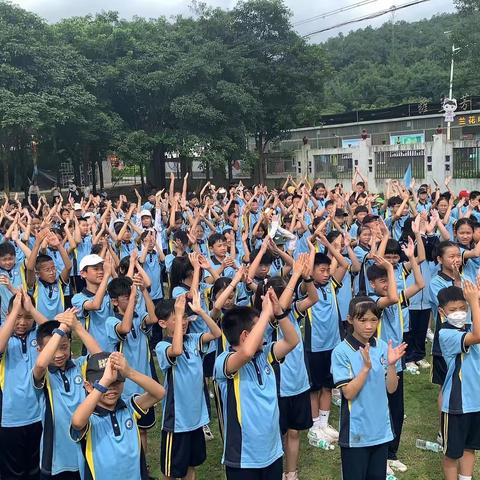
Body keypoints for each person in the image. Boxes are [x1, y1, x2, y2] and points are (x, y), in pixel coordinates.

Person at [214, 289, 299, 480]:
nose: (265, 333)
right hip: (244, 458)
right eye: (259, 328)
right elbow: (245, 353)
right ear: (245, 336)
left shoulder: (265, 355)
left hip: (273, 452)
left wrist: (278, 312)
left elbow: (293, 341)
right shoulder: (223, 362)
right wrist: (264, 315)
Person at [332, 296, 407, 480]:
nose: (369, 326)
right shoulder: (341, 351)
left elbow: (391, 389)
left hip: (380, 431)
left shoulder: (381, 346)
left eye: (373, 320)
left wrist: (390, 366)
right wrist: (366, 368)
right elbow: (348, 393)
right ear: (350, 319)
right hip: (356, 434)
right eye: (362, 320)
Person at [155, 292, 221, 480]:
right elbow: (176, 350)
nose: (183, 322)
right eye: (176, 319)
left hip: (196, 418)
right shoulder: (162, 346)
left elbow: (217, 333)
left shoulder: (193, 339)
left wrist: (200, 311)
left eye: (184, 317)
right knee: (170, 471)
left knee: (191, 466)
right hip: (176, 421)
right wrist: (177, 310)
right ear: (162, 323)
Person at [70, 351, 165, 479]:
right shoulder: (89, 417)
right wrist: (105, 381)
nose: (111, 388)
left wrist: (129, 372)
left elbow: (159, 393)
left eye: (116, 382)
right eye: (105, 385)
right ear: (88, 386)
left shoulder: (129, 407)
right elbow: (77, 422)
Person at [32, 310, 102, 479]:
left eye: (64, 347)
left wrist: (77, 326)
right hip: (57, 456)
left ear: (70, 343)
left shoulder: (80, 366)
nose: (59, 354)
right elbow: (41, 365)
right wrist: (61, 329)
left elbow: (101, 359)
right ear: (40, 349)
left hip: (87, 448)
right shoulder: (45, 376)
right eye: (52, 349)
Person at [0, 290, 48, 480]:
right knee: (13, 473)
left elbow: (55, 332)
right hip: (9, 418)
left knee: (36, 470)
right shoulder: (5, 336)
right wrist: (15, 311)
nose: (22, 322)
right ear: (8, 315)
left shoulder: (37, 336)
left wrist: (30, 309)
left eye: (27, 317)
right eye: (17, 317)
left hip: (39, 416)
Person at [438, 282, 480, 480]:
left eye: (463, 308)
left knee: (470, 447)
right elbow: (477, 336)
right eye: (453, 310)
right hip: (457, 403)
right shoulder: (446, 334)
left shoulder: (471, 326)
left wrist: (477, 299)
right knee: (452, 453)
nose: (460, 313)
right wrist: (473, 301)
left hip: (476, 402)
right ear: (442, 312)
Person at [71, 254, 113, 351]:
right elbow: (95, 305)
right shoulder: (78, 298)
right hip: (92, 350)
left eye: (102, 269)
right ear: (83, 274)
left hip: (113, 348)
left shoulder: (110, 294)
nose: (101, 272)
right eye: (95, 269)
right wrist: (107, 275)